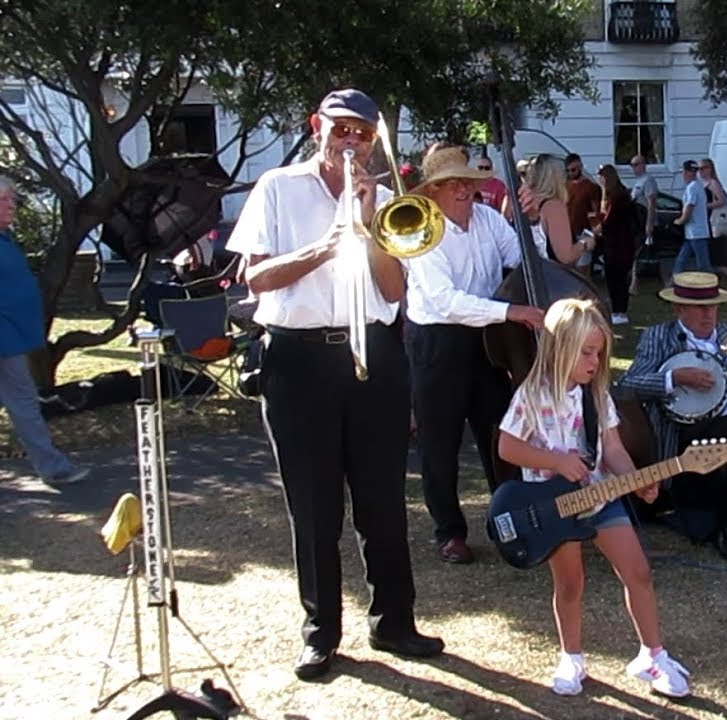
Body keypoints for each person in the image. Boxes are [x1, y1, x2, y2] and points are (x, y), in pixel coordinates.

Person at [225, 88, 443, 680]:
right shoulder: (278, 186)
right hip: (298, 359)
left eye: (362, 134)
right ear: (316, 126)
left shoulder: (386, 198)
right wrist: (328, 242)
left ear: (374, 140)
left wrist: (368, 223)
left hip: (372, 351)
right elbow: (258, 277)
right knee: (315, 505)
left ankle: (395, 622)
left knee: (383, 500)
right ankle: (321, 631)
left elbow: (394, 292)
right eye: (341, 129)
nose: (351, 142)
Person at [496, 298, 690, 698]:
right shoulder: (531, 395)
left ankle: (653, 655)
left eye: (598, 353)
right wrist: (554, 460)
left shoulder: (597, 395)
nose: (594, 361)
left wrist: (636, 479)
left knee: (638, 571)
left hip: (602, 498)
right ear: (559, 347)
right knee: (570, 585)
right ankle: (572, 657)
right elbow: (507, 448)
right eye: (585, 352)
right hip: (554, 509)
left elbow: (614, 449)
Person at [401, 144, 545, 565]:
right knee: (439, 443)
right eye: (451, 183)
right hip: (438, 343)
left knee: (499, 435)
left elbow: (524, 261)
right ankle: (450, 532)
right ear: (433, 191)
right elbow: (446, 301)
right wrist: (512, 311)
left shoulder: (487, 219)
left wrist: (530, 222)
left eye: (467, 181)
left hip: (485, 340)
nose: (463, 189)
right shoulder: (421, 232)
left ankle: (511, 520)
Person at [616, 272, 727, 560]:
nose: (708, 315)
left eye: (712, 306)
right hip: (692, 430)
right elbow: (629, 383)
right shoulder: (659, 336)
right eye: (700, 308)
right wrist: (673, 378)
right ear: (679, 309)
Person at [0, 177, 89, 487]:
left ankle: (52, 467)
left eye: (12, 200)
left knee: (23, 402)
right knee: (23, 402)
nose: (11, 205)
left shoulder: (5, 239)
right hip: (3, 340)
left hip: (12, 341)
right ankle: (53, 467)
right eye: (4, 200)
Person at [520, 154, 596, 266]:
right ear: (556, 177)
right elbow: (566, 256)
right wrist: (585, 243)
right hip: (551, 275)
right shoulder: (553, 207)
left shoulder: (525, 201)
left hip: (530, 272)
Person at [591, 164, 636, 324]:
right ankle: (618, 310)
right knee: (615, 278)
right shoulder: (615, 195)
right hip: (615, 244)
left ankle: (620, 311)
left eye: (601, 176)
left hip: (619, 245)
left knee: (618, 279)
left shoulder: (618, 197)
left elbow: (609, 221)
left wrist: (597, 228)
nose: (599, 180)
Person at [698, 158, 727, 290]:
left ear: (710, 169)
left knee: (716, 253)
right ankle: (719, 279)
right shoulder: (702, 184)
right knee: (712, 254)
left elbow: (722, 200)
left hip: (713, 222)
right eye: (699, 168)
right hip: (707, 222)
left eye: (703, 168)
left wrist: (705, 206)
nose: (701, 171)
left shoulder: (712, 183)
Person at [672, 160, 712, 274]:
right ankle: (673, 284)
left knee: (704, 267)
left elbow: (689, 209)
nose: (685, 174)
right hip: (691, 233)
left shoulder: (692, 188)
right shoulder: (697, 186)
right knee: (681, 261)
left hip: (697, 233)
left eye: (687, 172)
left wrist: (679, 221)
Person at [628, 154, 659, 294]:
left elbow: (651, 203)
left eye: (636, 165)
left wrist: (649, 224)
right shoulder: (638, 181)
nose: (633, 168)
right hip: (637, 223)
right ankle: (634, 283)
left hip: (645, 221)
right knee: (637, 253)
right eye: (631, 165)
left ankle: (635, 283)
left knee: (645, 253)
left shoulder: (648, 180)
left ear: (643, 164)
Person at [563, 153, 600, 242]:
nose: (570, 173)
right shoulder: (566, 185)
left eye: (573, 170)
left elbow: (595, 211)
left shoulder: (590, 187)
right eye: (567, 170)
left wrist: (595, 232)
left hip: (584, 232)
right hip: (568, 232)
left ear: (580, 167)